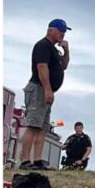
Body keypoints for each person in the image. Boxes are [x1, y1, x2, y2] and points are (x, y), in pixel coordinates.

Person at [19, 19, 71, 170]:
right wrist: (47, 89)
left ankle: (38, 160)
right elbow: (42, 67)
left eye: (64, 32)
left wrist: (66, 51)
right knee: (33, 125)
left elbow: (64, 65)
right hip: (39, 88)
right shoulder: (43, 46)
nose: (63, 34)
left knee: (42, 128)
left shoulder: (54, 49)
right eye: (61, 31)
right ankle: (25, 161)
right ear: (51, 30)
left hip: (47, 91)